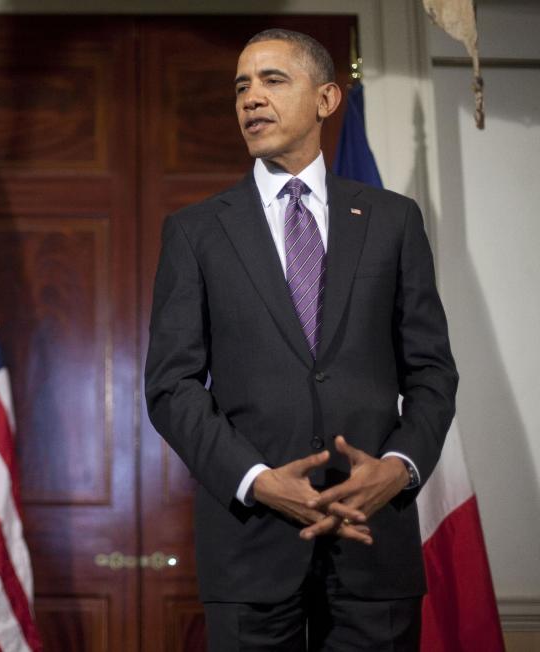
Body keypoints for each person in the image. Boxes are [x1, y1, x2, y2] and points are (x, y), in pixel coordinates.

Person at [145, 29, 458, 651]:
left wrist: (397, 470)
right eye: (241, 86)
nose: (250, 99)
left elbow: (431, 374)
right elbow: (171, 385)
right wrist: (258, 479)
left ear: (326, 98)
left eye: (272, 80)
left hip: (374, 544)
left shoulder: (393, 220)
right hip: (251, 546)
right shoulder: (196, 232)